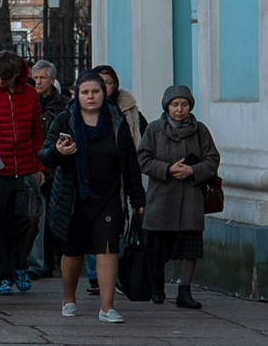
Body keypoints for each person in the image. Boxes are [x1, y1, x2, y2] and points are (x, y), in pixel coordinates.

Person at [41, 73, 144, 324]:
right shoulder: (66, 120)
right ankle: (69, 299)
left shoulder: (116, 121)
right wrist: (58, 151)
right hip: (74, 196)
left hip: (108, 195)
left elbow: (130, 163)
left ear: (104, 93)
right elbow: (44, 156)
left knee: (107, 248)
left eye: (95, 92)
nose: (90, 97)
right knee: (73, 249)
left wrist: (138, 199)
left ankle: (107, 308)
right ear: (76, 94)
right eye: (85, 92)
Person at [138, 84, 219, 308]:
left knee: (189, 247)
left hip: (191, 198)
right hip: (161, 198)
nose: (180, 109)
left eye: (184, 105)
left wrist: (193, 171)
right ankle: (157, 288)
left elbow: (212, 159)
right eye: (175, 105)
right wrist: (167, 169)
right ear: (167, 107)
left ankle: (185, 291)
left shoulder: (200, 130)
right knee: (157, 248)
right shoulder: (154, 129)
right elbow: (143, 158)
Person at [0, 53, 45, 295]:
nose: (2, 81)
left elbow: (37, 131)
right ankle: (4, 274)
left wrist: (40, 166)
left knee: (31, 218)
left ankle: (19, 262)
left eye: (7, 77)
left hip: (26, 165)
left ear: (17, 74)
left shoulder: (30, 94)